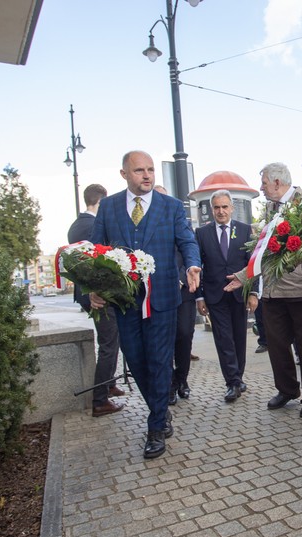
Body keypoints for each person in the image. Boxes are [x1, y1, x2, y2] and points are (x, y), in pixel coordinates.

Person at [89, 150, 201, 459]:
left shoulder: (171, 207)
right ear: (124, 174)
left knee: (160, 361)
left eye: (151, 169)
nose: (147, 175)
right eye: (140, 170)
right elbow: (96, 251)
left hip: (163, 298)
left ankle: (155, 428)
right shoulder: (109, 207)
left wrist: (193, 265)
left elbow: (187, 241)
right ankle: (160, 410)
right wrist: (94, 289)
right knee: (136, 360)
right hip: (125, 301)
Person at [226, 162, 302, 417]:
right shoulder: (270, 208)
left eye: (264, 184)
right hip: (272, 291)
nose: (261, 189)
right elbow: (263, 250)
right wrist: (244, 276)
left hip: (299, 290)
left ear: (278, 183)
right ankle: (287, 390)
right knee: (277, 345)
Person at [67, 183, 125, 417]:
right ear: (101, 203)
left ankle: (109, 383)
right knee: (109, 345)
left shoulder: (77, 224)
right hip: (98, 296)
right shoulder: (90, 226)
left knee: (112, 341)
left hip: (91, 294)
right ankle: (100, 400)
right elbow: (95, 264)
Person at [195, 190, 252, 403]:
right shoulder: (202, 233)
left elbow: (251, 264)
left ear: (232, 208)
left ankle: (239, 375)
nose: (221, 211)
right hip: (214, 295)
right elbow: (197, 266)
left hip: (239, 294)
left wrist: (253, 292)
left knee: (239, 337)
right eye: (217, 207)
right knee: (223, 338)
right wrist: (199, 297)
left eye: (224, 207)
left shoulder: (245, 231)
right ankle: (232, 382)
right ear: (212, 210)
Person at [155, 184, 196, 406]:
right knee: (164, 341)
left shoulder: (180, 221)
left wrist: (180, 278)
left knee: (184, 336)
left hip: (183, 292)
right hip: (158, 294)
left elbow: (190, 252)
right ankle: (169, 384)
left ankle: (182, 380)